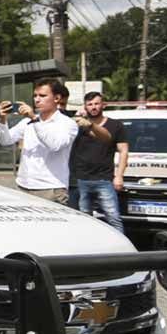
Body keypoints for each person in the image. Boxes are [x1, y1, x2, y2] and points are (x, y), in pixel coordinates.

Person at [0, 78, 80, 203]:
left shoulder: (68, 123)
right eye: (35, 95)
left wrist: (34, 119)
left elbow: (54, 145)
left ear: (57, 98)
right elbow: (5, 140)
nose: (37, 99)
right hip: (23, 185)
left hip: (51, 189)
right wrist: (3, 119)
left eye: (42, 96)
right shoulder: (27, 122)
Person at [68, 92, 129, 232]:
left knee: (113, 217)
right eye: (90, 104)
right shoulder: (77, 125)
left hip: (104, 179)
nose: (93, 107)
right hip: (80, 179)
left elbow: (123, 151)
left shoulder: (115, 125)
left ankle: (122, 251)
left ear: (103, 105)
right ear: (85, 107)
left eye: (96, 103)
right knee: (83, 219)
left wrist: (119, 176)